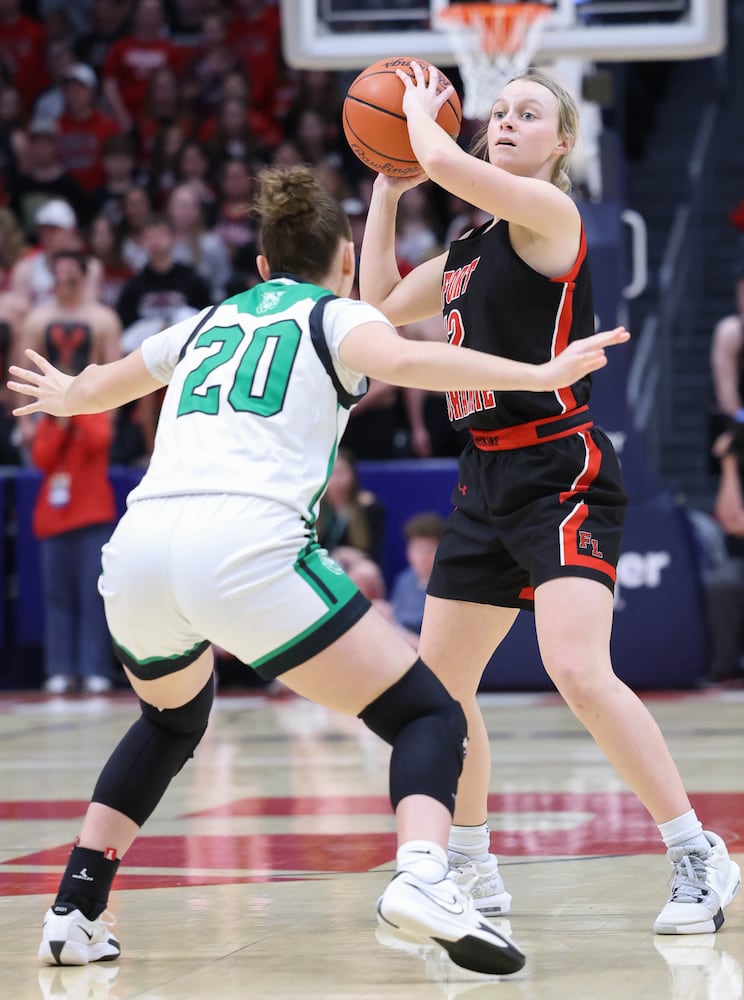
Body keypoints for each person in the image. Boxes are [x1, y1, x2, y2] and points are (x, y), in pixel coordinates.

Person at [8, 163, 627, 973]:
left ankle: (74, 910)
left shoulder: (203, 321)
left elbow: (100, 388)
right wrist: (538, 375)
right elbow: (411, 363)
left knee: (170, 720)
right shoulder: (336, 316)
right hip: (242, 544)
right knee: (428, 714)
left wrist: (64, 393)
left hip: (138, 550)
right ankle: (424, 874)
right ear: (344, 266)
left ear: (260, 266)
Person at [358, 64, 741, 935]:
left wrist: (422, 121)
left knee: (575, 667)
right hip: (482, 475)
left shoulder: (552, 217)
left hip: (558, 466)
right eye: (497, 112)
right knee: (437, 691)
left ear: (561, 143)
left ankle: (697, 854)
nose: (504, 122)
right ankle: (473, 862)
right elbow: (373, 305)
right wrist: (387, 186)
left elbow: (453, 169)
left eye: (528, 113)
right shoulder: (464, 248)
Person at [390, 511, 444, 636]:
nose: (422, 557)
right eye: (417, 549)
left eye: (428, 550)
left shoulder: (446, 586)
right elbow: (395, 612)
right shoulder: (404, 579)